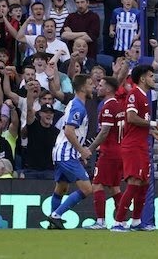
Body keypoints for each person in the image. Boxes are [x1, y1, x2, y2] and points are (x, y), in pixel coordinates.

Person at [112, 65, 158, 232]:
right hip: (133, 146)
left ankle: (136, 221)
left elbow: (136, 124)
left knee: (144, 183)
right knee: (134, 181)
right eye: (150, 76)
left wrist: (151, 132)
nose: (153, 79)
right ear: (142, 78)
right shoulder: (135, 94)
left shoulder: (144, 96)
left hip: (141, 144)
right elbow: (131, 117)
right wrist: (154, 123)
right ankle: (118, 222)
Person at [47, 75, 95, 230]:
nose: (92, 86)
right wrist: (81, 151)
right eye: (89, 84)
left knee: (62, 188)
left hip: (62, 151)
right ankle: (56, 215)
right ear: (82, 88)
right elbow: (69, 131)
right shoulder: (77, 107)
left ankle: (53, 221)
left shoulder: (74, 104)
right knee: (87, 189)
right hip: (66, 153)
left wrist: (79, 153)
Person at [85, 76, 125, 230]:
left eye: (100, 85)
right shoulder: (119, 106)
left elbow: (104, 133)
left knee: (97, 185)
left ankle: (100, 221)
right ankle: (121, 221)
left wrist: (91, 149)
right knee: (115, 187)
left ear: (108, 89)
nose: (97, 87)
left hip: (109, 153)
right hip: (119, 151)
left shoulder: (108, 107)